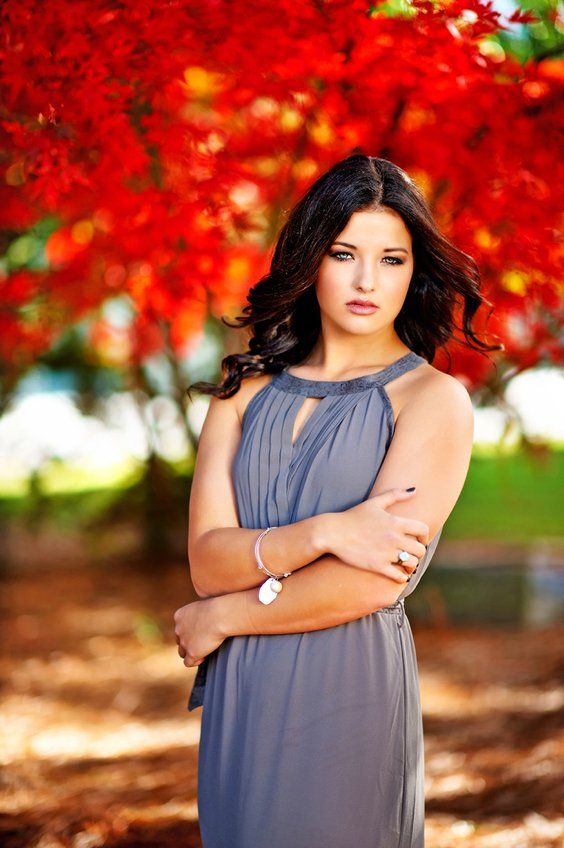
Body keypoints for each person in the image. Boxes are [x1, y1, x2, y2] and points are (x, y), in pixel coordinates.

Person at [173, 153, 502, 847]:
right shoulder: (243, 393)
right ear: (308, 258)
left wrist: (225, 616)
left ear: (416, 273)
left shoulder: (432, 401)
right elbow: (207, 561)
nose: (364, 281)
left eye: (391, 260)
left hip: (348, 691)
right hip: (243, 695)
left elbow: (368, 583)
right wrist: (325, 530)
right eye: (344, 252)